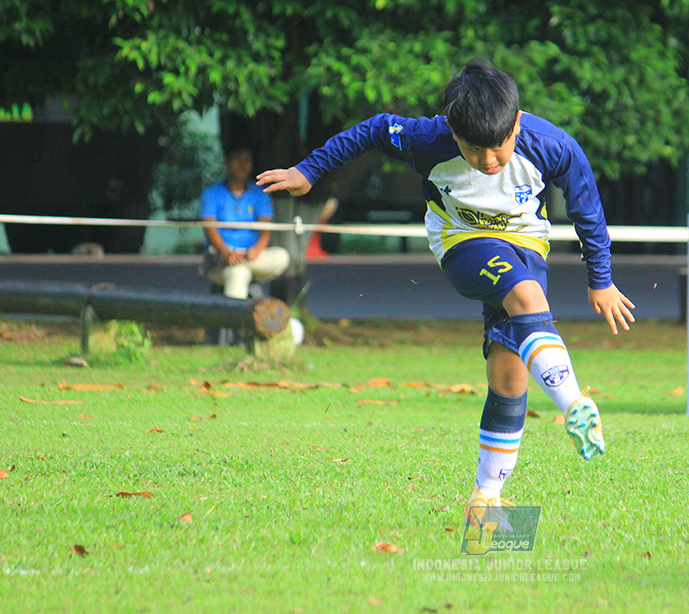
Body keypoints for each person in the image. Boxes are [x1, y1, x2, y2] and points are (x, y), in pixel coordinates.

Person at [256, 59, 635, 524]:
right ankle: (575, 404)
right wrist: (309, 170)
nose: (489, 160)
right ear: (453, 133)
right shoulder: (426, 139)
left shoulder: (552, 145)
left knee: (509, 376)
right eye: (475, 150)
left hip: (527, 247)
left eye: (499, 146)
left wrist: (601, 279)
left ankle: (486, 503)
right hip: (462, 243)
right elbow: (373, 129)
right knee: (527, 299)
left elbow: (587, 209)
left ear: (517, 124)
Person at [200, 143, 290, 300]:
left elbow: (265, 230)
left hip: (252, 256)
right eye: (237, 159)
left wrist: (256, 250)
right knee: (238, 273)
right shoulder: (212, 193)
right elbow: (210, 229)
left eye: (247, 160)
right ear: (227, 162)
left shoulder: (260, 193)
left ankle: (239, 264)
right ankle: (236, 317)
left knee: (282, 256)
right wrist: (226, 253)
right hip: (221, 256)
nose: (242, 164)